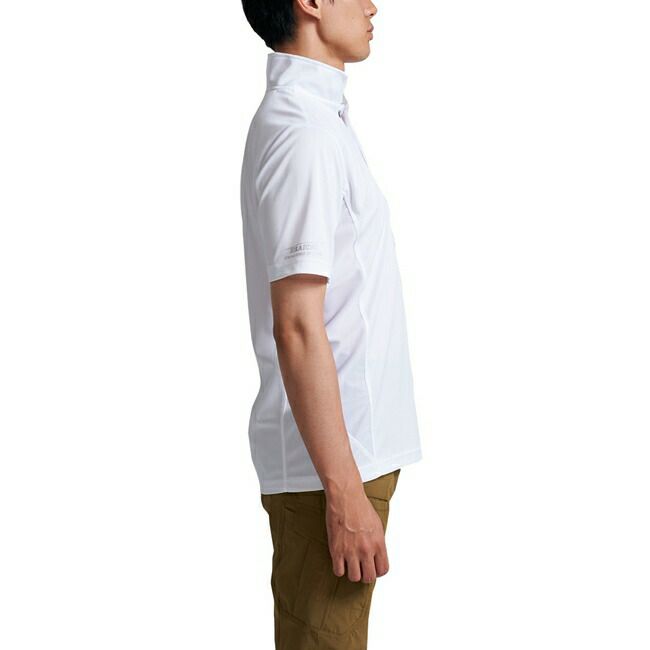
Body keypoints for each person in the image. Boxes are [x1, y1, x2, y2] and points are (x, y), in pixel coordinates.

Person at [239, 1, 423, 647]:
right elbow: (296, 326)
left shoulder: (318, 121)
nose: (373, 6)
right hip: (331, 469)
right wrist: (343, 494)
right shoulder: (305, 135)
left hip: (344, 458)